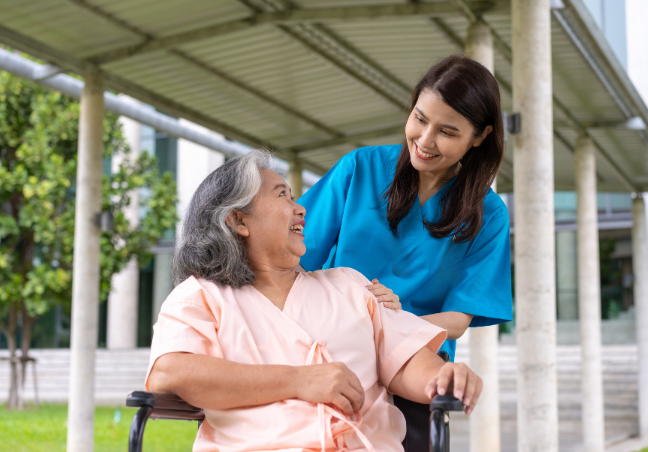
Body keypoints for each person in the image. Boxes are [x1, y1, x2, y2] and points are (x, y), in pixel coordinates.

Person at [146, 151, 483, 452]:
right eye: (282, 196)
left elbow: (406, 360)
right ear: (238, 220)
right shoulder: (201, 295)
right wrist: (300, 380)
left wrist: (446, 376)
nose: (301, 208)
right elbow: (170, 372)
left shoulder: (350, 285)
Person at [296, 54, 513, 448]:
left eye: (447, 132)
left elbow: (458, 319)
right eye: (420, 118)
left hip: (415, 362)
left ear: (479, 137)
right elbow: (292, 257)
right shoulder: (359, 168)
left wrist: (388, 320)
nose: (425, 141)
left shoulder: (489, 215)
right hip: (331, 347)